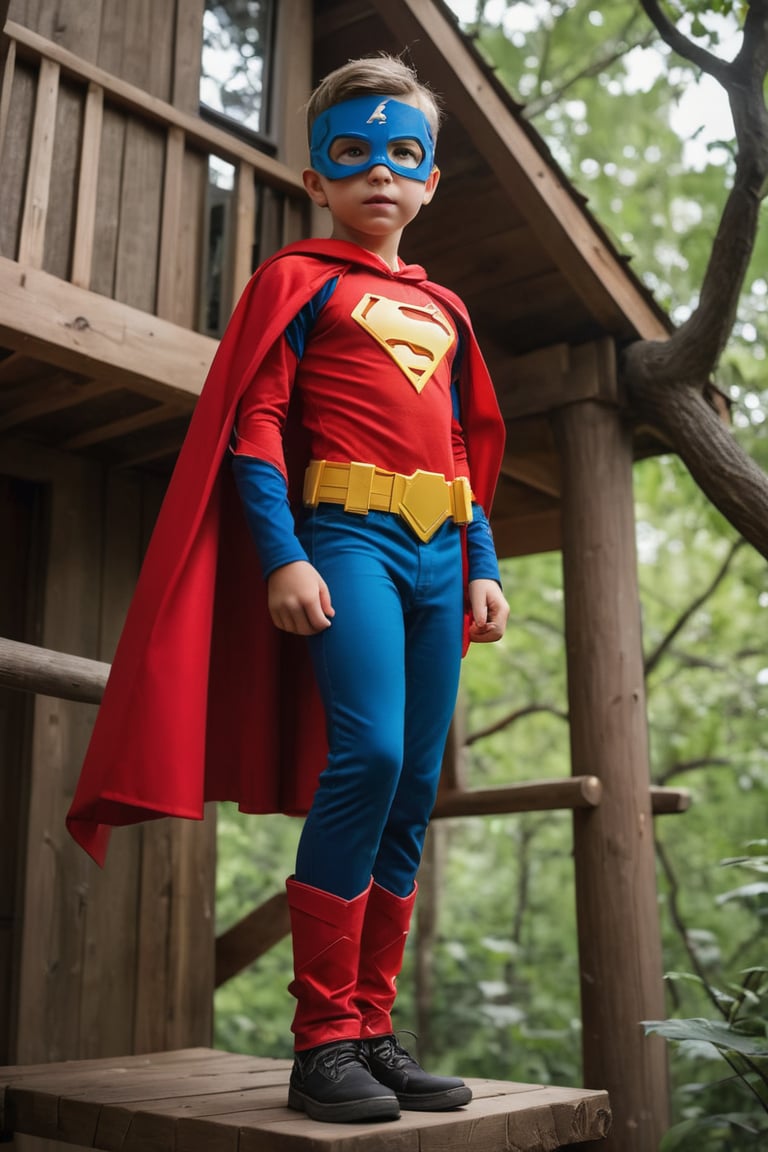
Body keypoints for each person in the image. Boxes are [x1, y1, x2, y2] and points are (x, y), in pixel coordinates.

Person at [66, 54, 508, 1126]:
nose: (382, 177)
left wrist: (484, 563)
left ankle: (371, 1029)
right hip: (344, 536)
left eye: (406, 156)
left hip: (438, 552)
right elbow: (254, 428)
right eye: (354, 154)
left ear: (433, 179)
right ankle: (320, 1045)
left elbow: (456, 445)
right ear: (318, 177)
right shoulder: (297, 281)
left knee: (414, 790)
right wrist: (282, 555)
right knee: (372, 753)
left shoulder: (443, 304)